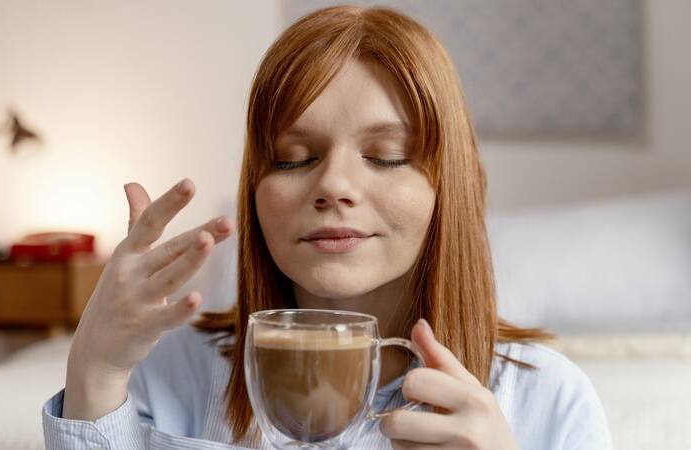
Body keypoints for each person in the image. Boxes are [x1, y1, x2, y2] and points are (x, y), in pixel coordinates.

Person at [42, 5, 612, 450]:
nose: (332, 185)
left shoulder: (548, 399)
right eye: (292, 157)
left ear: (448, 189)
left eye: (387, 155)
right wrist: (94, 365)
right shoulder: (169, 374)